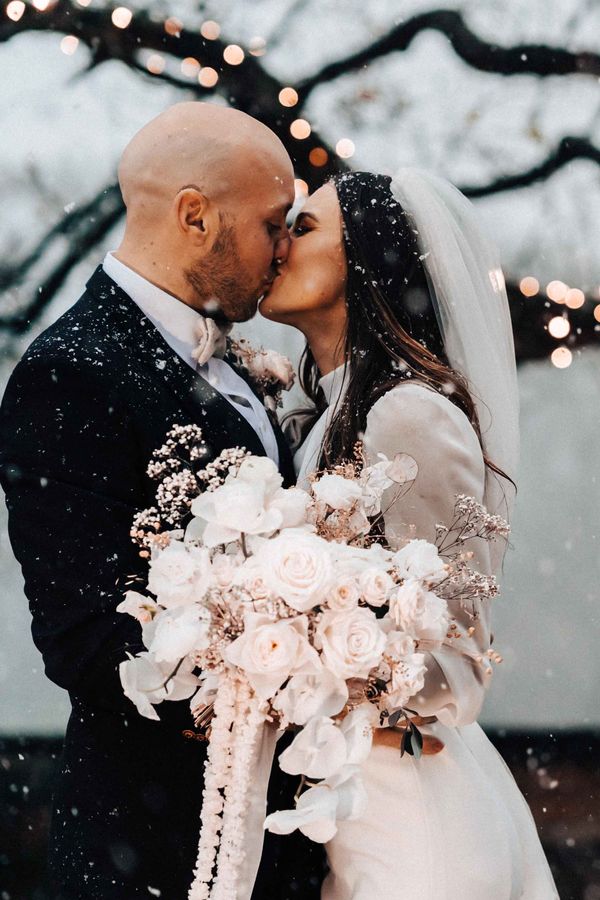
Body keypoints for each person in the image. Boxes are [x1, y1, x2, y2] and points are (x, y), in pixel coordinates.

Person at [0, 102, 326, 899]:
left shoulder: (244, 356)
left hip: (266, 837)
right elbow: (85, 642)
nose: (286, 248)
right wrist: (284, 665)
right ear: (194, 215)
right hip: (153, 843)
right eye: (273, 223)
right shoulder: (69, 372)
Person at [260, 170, 559, 898]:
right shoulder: (313, 416)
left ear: (367, 263)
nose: (280, 243)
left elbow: (456, 659)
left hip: (408, 803)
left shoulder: (406, 417)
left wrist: (294, 656)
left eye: (305, 228)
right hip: (346, 791)